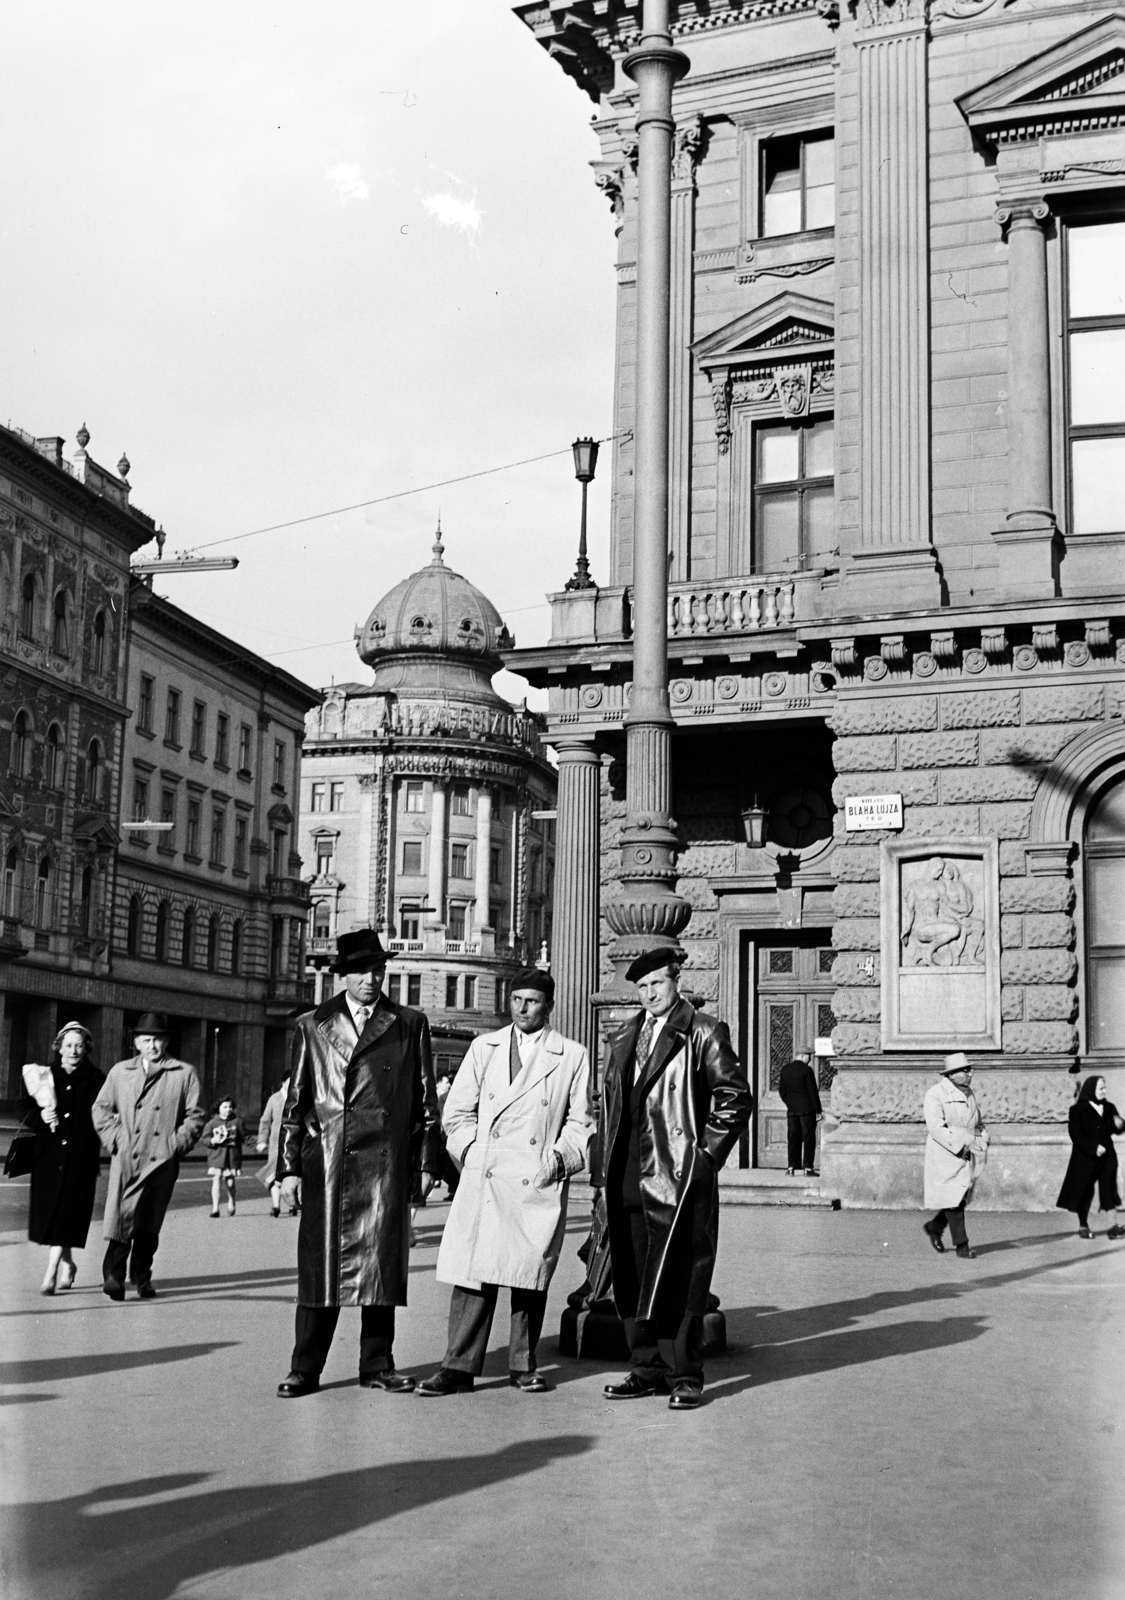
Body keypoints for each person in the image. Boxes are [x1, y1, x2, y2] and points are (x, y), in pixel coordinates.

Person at [275, 928, 442, 1399]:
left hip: (384, 1164)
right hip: (327, 1160)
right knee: (318, 1270)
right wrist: (288, 1170)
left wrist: (426, 1164)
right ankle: (304, 1367)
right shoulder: (312, 1025)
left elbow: (427, 1102)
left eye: (377, 970)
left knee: (379, 1267)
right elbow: (296, 1103)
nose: (371, 979)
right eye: (361, 971)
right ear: (343, 975)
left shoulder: (409, 1023)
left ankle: (378, 1363)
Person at [418, 968, 594, 1397]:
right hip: (488, 1173)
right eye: (517, 1000)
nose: (522, 1008)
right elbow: (456, 1113)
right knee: (474, 1275)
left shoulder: (571, 1055)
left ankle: (523, 1363)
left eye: (532, 1001)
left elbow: (581, 1120)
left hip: (536, 1175)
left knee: (527, 1275)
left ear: (548, 1005)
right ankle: (457, 1366)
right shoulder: (484, 1047)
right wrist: (471, 1154)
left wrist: (556, 1161)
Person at [597, 948, 752, 1410]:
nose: (649, 995)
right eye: (642, 988)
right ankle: (646, 1367)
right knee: (630, 1273)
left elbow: (734, 1098)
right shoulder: (625, 1034)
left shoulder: (702, 1031)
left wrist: (704, 1157)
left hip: (679, 1177)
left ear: (675, 981)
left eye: (657, 985)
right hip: (626, 1175)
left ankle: (686, 1374)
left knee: (682, 1277)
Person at [91, 1014, 205, 1300]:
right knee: (121, 1215)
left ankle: (142, 1277)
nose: (152, 1045)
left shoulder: (183, 1073)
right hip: (128, 1156)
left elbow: (195, 1116)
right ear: (136, 1042)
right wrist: (117, 1139)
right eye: (145, 1040)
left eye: (157, 1039)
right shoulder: (120, 1072)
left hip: (162, 1159)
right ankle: (114, 1277)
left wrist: (175, 1144)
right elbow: (101, 1109)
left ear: (166, 1041)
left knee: (149, 1222)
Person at [22, 1022, 105, 1295]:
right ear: (59, 1047)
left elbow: (105, 1113)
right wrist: (40, 1117)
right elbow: (24, 1107)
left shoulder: (96, 1079)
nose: (73, 1051)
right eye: (68, 1045)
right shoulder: (44, 1075)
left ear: (87, 1048)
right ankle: (68, 1264)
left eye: (79, 1045)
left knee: (66, 1215)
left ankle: (51, 1273)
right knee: (56, 1216)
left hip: (80, 1159)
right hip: (48, 1157)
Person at [922, 1052, 989, 1260]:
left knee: (959, 1197)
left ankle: (935, 1226)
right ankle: (962, 1245)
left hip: (969, 1150)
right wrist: (959, 1147)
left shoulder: (968, 1093)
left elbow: (977, 1122)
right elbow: (936, 1128)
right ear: (951, 1074)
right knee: (954, 1199)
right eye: (965, 1070)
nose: (970, 1073)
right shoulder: (935, 1094)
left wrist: (984, 1138)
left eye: (970, 1069)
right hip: (947, 1151)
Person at [1057, 1075, 1125, 1240]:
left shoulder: (1109, 1107)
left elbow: (1115, 1128)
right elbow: (1076, 1134)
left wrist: (1120, 1125)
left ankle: (1113, 1226)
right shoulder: (1078, 1109)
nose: (1104, 1091)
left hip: (1107, 1155)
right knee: (1085, 1190)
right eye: (1101, 1088)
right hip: (1086, 1158)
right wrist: (1093, 1148)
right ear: (1090, 1089)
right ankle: (1083, 1226)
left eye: (1105, 1087)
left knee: (1109, 1188)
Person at [777, 1049, 822, 1176]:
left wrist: (789, 1103)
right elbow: (813, 1092)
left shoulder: (785, 1069)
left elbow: (782, 1090)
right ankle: (808, 1168)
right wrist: (818, 1110)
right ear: (802, 1056)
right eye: (809, 1056)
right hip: (807, 1110)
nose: (810, 1059)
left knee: (793, 1138)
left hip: (792, 1110)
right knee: (808, 1138)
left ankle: (791, 1167)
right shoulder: (806, 1070)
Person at [201, 1097, 248, 1217]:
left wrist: (257, 1144)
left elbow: (245, 1137)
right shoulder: (211, 1123)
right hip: (216, 1156)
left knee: (230, 1183)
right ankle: (215, 1208)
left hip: (232, 1157)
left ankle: (231, 1201)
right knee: (216, 1180)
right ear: (219, 1109)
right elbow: (204, 1139)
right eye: (225, 1107)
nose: (228, 1109)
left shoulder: (238, 1122)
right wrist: (213, 1140)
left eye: (230, 1107)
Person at [256, 1081, 293, 1218]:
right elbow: (265, 1121)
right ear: (282, 1083)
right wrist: (261, 1140)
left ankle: (292, 1204)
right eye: (289, 1081)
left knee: (290, 1174)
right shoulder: (274, 1099)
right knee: (273, 1174)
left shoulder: (298, 1096)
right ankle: (276, 1205)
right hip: (276, 1143)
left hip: (294, 1142)